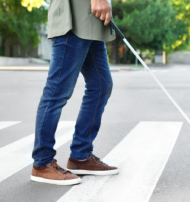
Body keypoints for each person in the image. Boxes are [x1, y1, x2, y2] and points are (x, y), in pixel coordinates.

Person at [31, 0, 119, 185]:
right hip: (74, 20)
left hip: (92, 23)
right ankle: (42, 163)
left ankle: (81, 156)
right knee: (57, 91)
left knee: (102, 85)